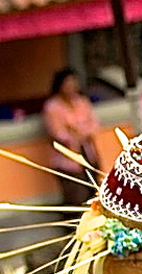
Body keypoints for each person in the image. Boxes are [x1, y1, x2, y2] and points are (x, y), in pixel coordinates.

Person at [41, 69, 99, 208]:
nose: (72, 87)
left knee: (94, 191)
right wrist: (73, 136)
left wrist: (80, 132)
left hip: (87, 152)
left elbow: (94, 123)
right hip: (67, 159)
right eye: (68, 84)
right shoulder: (52, 107)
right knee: (76, 196)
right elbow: (57, 133)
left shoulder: (81, 101)